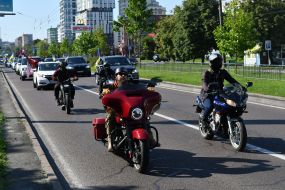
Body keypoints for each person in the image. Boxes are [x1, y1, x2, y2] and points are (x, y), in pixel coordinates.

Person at [200, 52, 243, 125]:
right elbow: (205, 83)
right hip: (208, 94)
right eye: (216, 61)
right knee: (210, 106)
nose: (218, 63)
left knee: (229, 106)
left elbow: (231, 80)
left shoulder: (223, 72)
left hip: (220, 93)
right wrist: (207, 88)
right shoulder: (207, 73)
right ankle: (204, 120)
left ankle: (225, 123)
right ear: (211, 63)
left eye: (219, 61)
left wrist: (240, 86)